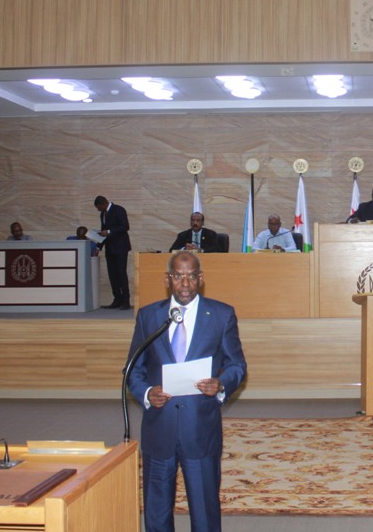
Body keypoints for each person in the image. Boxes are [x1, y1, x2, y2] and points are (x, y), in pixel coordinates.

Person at [125, 251, 247, 532]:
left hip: (200, 430)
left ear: (200, 279)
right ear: (168, 279)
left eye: (191, 276)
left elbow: (237, 364)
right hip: (159, 428)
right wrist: (145, 394)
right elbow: (133, 368)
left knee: (204, 510)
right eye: (178, 277)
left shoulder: (220, 315)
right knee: (156, 510)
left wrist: (221, 384)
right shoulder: (149, 316)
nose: (185, 284)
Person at [95, 195, 132, 309]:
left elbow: (125, 226)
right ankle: (117, 299)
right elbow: (103, 231)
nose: (98, 210)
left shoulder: (119, 209)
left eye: (98, 207)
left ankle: (126, 301)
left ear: (103, 204)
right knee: (112, 275)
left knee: (121, 274)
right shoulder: (103, 214)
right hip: (110, 248)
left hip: (121, 247)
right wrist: (98, 247)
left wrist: (109, 231)